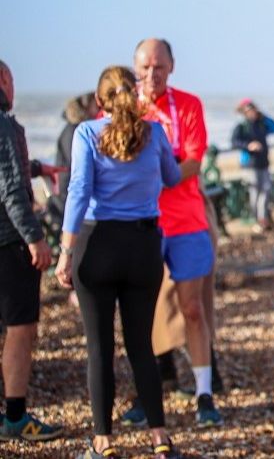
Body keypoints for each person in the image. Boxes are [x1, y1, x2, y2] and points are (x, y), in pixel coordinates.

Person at [54, 66, 183, 459]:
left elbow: (78, 192)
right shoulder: (155, 133)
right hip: (143, 245)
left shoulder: (86, 134)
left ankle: (103, 442)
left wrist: (64, 251)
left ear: (99, 101)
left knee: (99, 348)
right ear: (134, 95)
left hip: (97, 244)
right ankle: (160, 439)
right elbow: (173, 177)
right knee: (141, 346)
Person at [121, 38, 224, 428]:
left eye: (159, 67)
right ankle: (145, 396)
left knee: (194, 308)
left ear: (172, 66)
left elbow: (194, 162)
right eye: (145, 68)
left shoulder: (189, 104)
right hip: (141, 222)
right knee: (141, 312)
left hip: (187, 221)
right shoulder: (124, 105)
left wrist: (156, 175)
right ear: (135, 68)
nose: (152, 75)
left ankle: (205, 393)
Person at [0, 59, 64, 441]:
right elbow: (9, 189)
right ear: (4, 80)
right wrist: (34, 238)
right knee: (20, 330)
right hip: (8, 241)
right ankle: (17, 417)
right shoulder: (5, 123)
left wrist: (38, 168)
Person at [48, 92, 98, 225]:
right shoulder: (75, 131)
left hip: (69, 195)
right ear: (87, 107)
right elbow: (78, 168)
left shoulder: (76, 129)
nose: (99, 109)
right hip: (66, 198)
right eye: (96, 105)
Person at [231, 98, 274, 232]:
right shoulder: (241, 127)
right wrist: (248, 146)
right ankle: (257, 220)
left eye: (253, 110)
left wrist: (264, 116)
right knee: (255, 193)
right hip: (250, 165)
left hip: (264, 163)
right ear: (244, 112)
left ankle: (263, 219)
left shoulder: (261, 124)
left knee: (266, 190)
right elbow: (234, 142)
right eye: (249, 110)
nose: (252, 113)